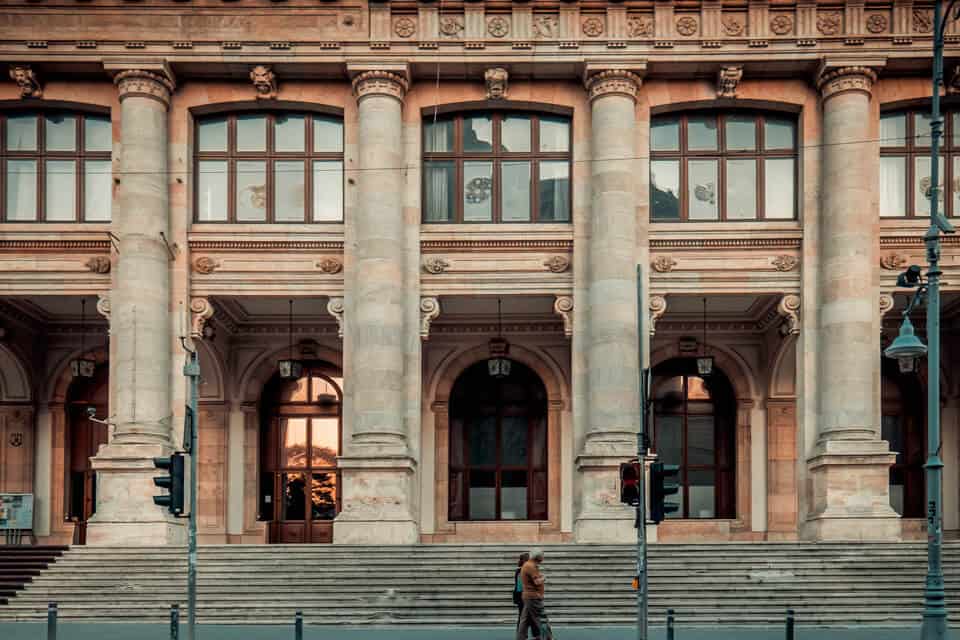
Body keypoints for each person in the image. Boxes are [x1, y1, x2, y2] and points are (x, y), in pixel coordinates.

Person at [516, 548, 552, 640]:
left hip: (528, 596)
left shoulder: (528, 565)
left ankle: (520, 638)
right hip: (533, 597)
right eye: (542, 556)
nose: (543, 558)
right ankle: (548, 638)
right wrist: (544, 578)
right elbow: (537, 582)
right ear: (538, 556)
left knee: (524, 620)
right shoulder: (531, 566)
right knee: (542, 619)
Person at [513, 553, 540, 639]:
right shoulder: (522, 571)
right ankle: (534, 635)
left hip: (524, 597)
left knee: (527, 617)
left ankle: (532, 635)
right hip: (525, 597)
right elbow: (521, 586)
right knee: (528, 617)